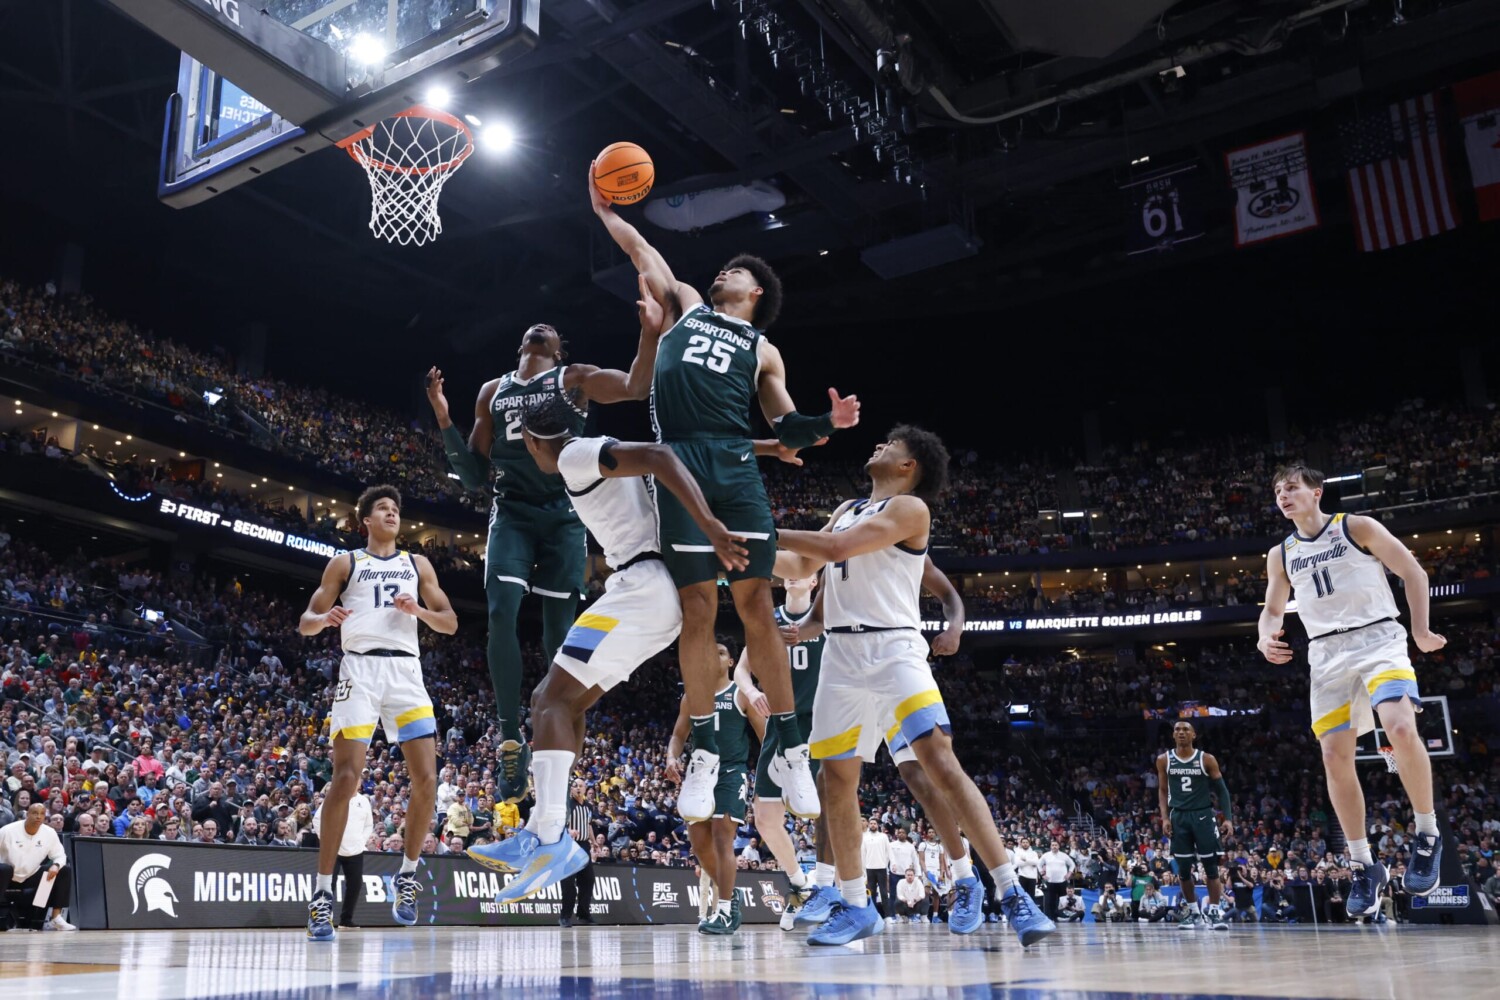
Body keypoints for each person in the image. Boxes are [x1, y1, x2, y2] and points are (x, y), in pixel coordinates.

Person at [590, 172, 859, 826]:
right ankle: (707, 746)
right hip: (679, 464)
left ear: (754, 291)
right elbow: (640, 253)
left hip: (736, 468)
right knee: (696, 611)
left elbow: (785, 425)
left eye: (735, 270)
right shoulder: (683, 303)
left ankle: (791, 743)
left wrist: (828, 425)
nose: (722, 272)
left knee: (757, 607)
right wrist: (602, 208)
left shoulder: (763, 349)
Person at [465, 373, 748, 904]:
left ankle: (550, 834)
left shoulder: (573, 456)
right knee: (564, 705)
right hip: (647, 591)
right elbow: (664, 456)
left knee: (547, 698)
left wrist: (708, 524)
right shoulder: (591, 452)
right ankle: (547, 833)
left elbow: (663, 456)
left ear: (530, 442)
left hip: (639, 589)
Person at [774, 427, 1054, 948]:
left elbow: (835, 547)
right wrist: (739, 551)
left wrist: (759, 530)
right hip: (840, 654)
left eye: (890, 444)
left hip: (895, 651)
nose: (878, 446)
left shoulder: (910, 510)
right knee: (836, 779)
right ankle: (856, 905)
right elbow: (804, 566)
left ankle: (1010, 890)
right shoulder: (847, 507)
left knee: (938, 763)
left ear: (909, 466)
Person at [425, 292, 660, 803]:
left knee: (560, 641)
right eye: (534, 327)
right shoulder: (492, 390)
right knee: (502, 609)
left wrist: (648, 330)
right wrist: (444, 417)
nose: (539, 327)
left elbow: (638, 386)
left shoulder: (573, 378)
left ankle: (557, 771)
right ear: (522, 346)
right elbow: (471, 475)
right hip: (511, 510)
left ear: (557, 348)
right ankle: (511, 734)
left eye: (549, 328)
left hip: (563, 517)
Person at [1258, 464, 1446, 917]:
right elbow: (1272, 609)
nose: (1284, 495)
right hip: (1326, 655)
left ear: (1316, 492)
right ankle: (1364, 864)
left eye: (1292, 487)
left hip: (1378, 639)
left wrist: (1420, 631)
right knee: (1333, 755)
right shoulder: (1279, 554)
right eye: (1278, 491)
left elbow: (1413, 573)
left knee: (1400, 728)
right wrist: (1266, 636)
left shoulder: (1355, 526)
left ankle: (1427, 833)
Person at [298, 484, 457, 941]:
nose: (392, 514)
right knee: (346, 779)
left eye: (396, 509)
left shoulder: (417, 564)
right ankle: (323, 895)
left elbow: (450, 621)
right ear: (365, 519)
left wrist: (420, 611)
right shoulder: (346, 562)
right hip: (361, 671)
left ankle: (406, 876)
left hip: (406, 673)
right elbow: (306, 620)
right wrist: (323, 620)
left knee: (427, 778)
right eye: (383, 509)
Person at [730, 574, 826, 924]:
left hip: (819, 723)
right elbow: (742, 669)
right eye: (788, 568)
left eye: (803, 568)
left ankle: (839, 890)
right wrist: (752, 692)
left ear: (815, 582)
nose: (793, 572)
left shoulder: (825, 618)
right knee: (766, 818)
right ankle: (801, 885)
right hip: (779, 724)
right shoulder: (767, 618)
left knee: (828, 812)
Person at [666, 640, 759, 934]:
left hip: (731, 772)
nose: (714, 657)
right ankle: (732, 896)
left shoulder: (742, 693)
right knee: (699, 845)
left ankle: (723, 911)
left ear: (731, 662)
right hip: (700, 774)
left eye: (720, 652)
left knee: (721, 838)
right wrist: (671, 757)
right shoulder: (693, 696)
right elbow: (679, 735)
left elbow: (766, 734)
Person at [1156, 721, 1232, 931]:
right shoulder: (1164, 760)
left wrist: (1228, 818)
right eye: (1177, 729)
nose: (1181, 732)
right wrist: (1165, 818)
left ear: (1194, 735)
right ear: (1173, 735)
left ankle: (1215, 911)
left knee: (1211, 867)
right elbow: (1163, 791)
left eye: (1185, 729)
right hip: (1178, 816)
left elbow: (1222, 790)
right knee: (1183, 869)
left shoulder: (1206, 759)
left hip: (1203, 816)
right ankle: (1193, 912)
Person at [0, 802, 75, 931]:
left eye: (42, 814)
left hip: (31, 875)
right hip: (7, 876)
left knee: (64, 870)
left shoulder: (49, 833)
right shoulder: (7, 830)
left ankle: (55, 918)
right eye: (35, 813)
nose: (38, 817)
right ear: (27, 814)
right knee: (4, 869)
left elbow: (60, 855)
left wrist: (56, 865)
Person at [311, 792, 373, 929]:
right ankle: (322, 918)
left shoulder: (363, 800)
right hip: (333, 849)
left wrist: (361, 841)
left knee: (355, 885)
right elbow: (316, 820)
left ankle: (346, 919)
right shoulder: (334, 796)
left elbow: (369, 825)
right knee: (327, 884)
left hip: (356, 850)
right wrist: (327, 840)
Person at [558, 780, 597, 928]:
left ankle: (583, 914)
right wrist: (569, 831)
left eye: (581, 786)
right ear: (571, 790)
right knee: (568, 883)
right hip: (568, 846)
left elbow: (588, 825)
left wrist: (593, 842)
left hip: (584, 845)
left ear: (586, 788)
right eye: (576, 786)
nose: (578, 788)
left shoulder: (588, 806)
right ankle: (565, 916)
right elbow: (558, 824)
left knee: (588, 880)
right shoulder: (567, 805)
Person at [860, 818, 892, 918]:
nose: (873, 825)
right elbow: (863, 854)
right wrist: (863, 869)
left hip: (881, 868)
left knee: (884, 893)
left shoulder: (883, 836)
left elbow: (888, 851)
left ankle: (888, 916)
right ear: (869, 825)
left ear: (877, 825)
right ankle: (873, 915)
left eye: (874, 823)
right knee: (871, 893)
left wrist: (887, 864)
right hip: (869, 868)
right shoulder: (864, 837)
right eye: (871, 823)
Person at [1039, 840, 1075, 920]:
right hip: (1050, 882)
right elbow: (1039, 864)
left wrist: (1069, 873)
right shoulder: (1046, 855)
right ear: (1050, 846)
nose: (1054, 846)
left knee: (1063, 900)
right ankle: (1051, 917)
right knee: (1051, 901)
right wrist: (1042, 874)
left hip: (1062, 881)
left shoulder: (1064, 855)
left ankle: (1062, 916)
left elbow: (1072, 864)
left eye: (1056, 845)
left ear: (1058, 846)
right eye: (1053, 845)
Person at [1013, 837, 1041, 903]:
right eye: (1023, 842)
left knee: (1031, 897)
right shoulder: (1018, 853)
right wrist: (1031, 862)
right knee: (1022, 896)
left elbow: (1036, 862)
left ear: (1029, 843)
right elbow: (1018, 863)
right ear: (1021, 843)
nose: (1025, 844)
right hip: (1022, 876)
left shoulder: (1034, 853)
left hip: (1032, 877)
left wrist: (1025, 859)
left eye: (1026, 842)